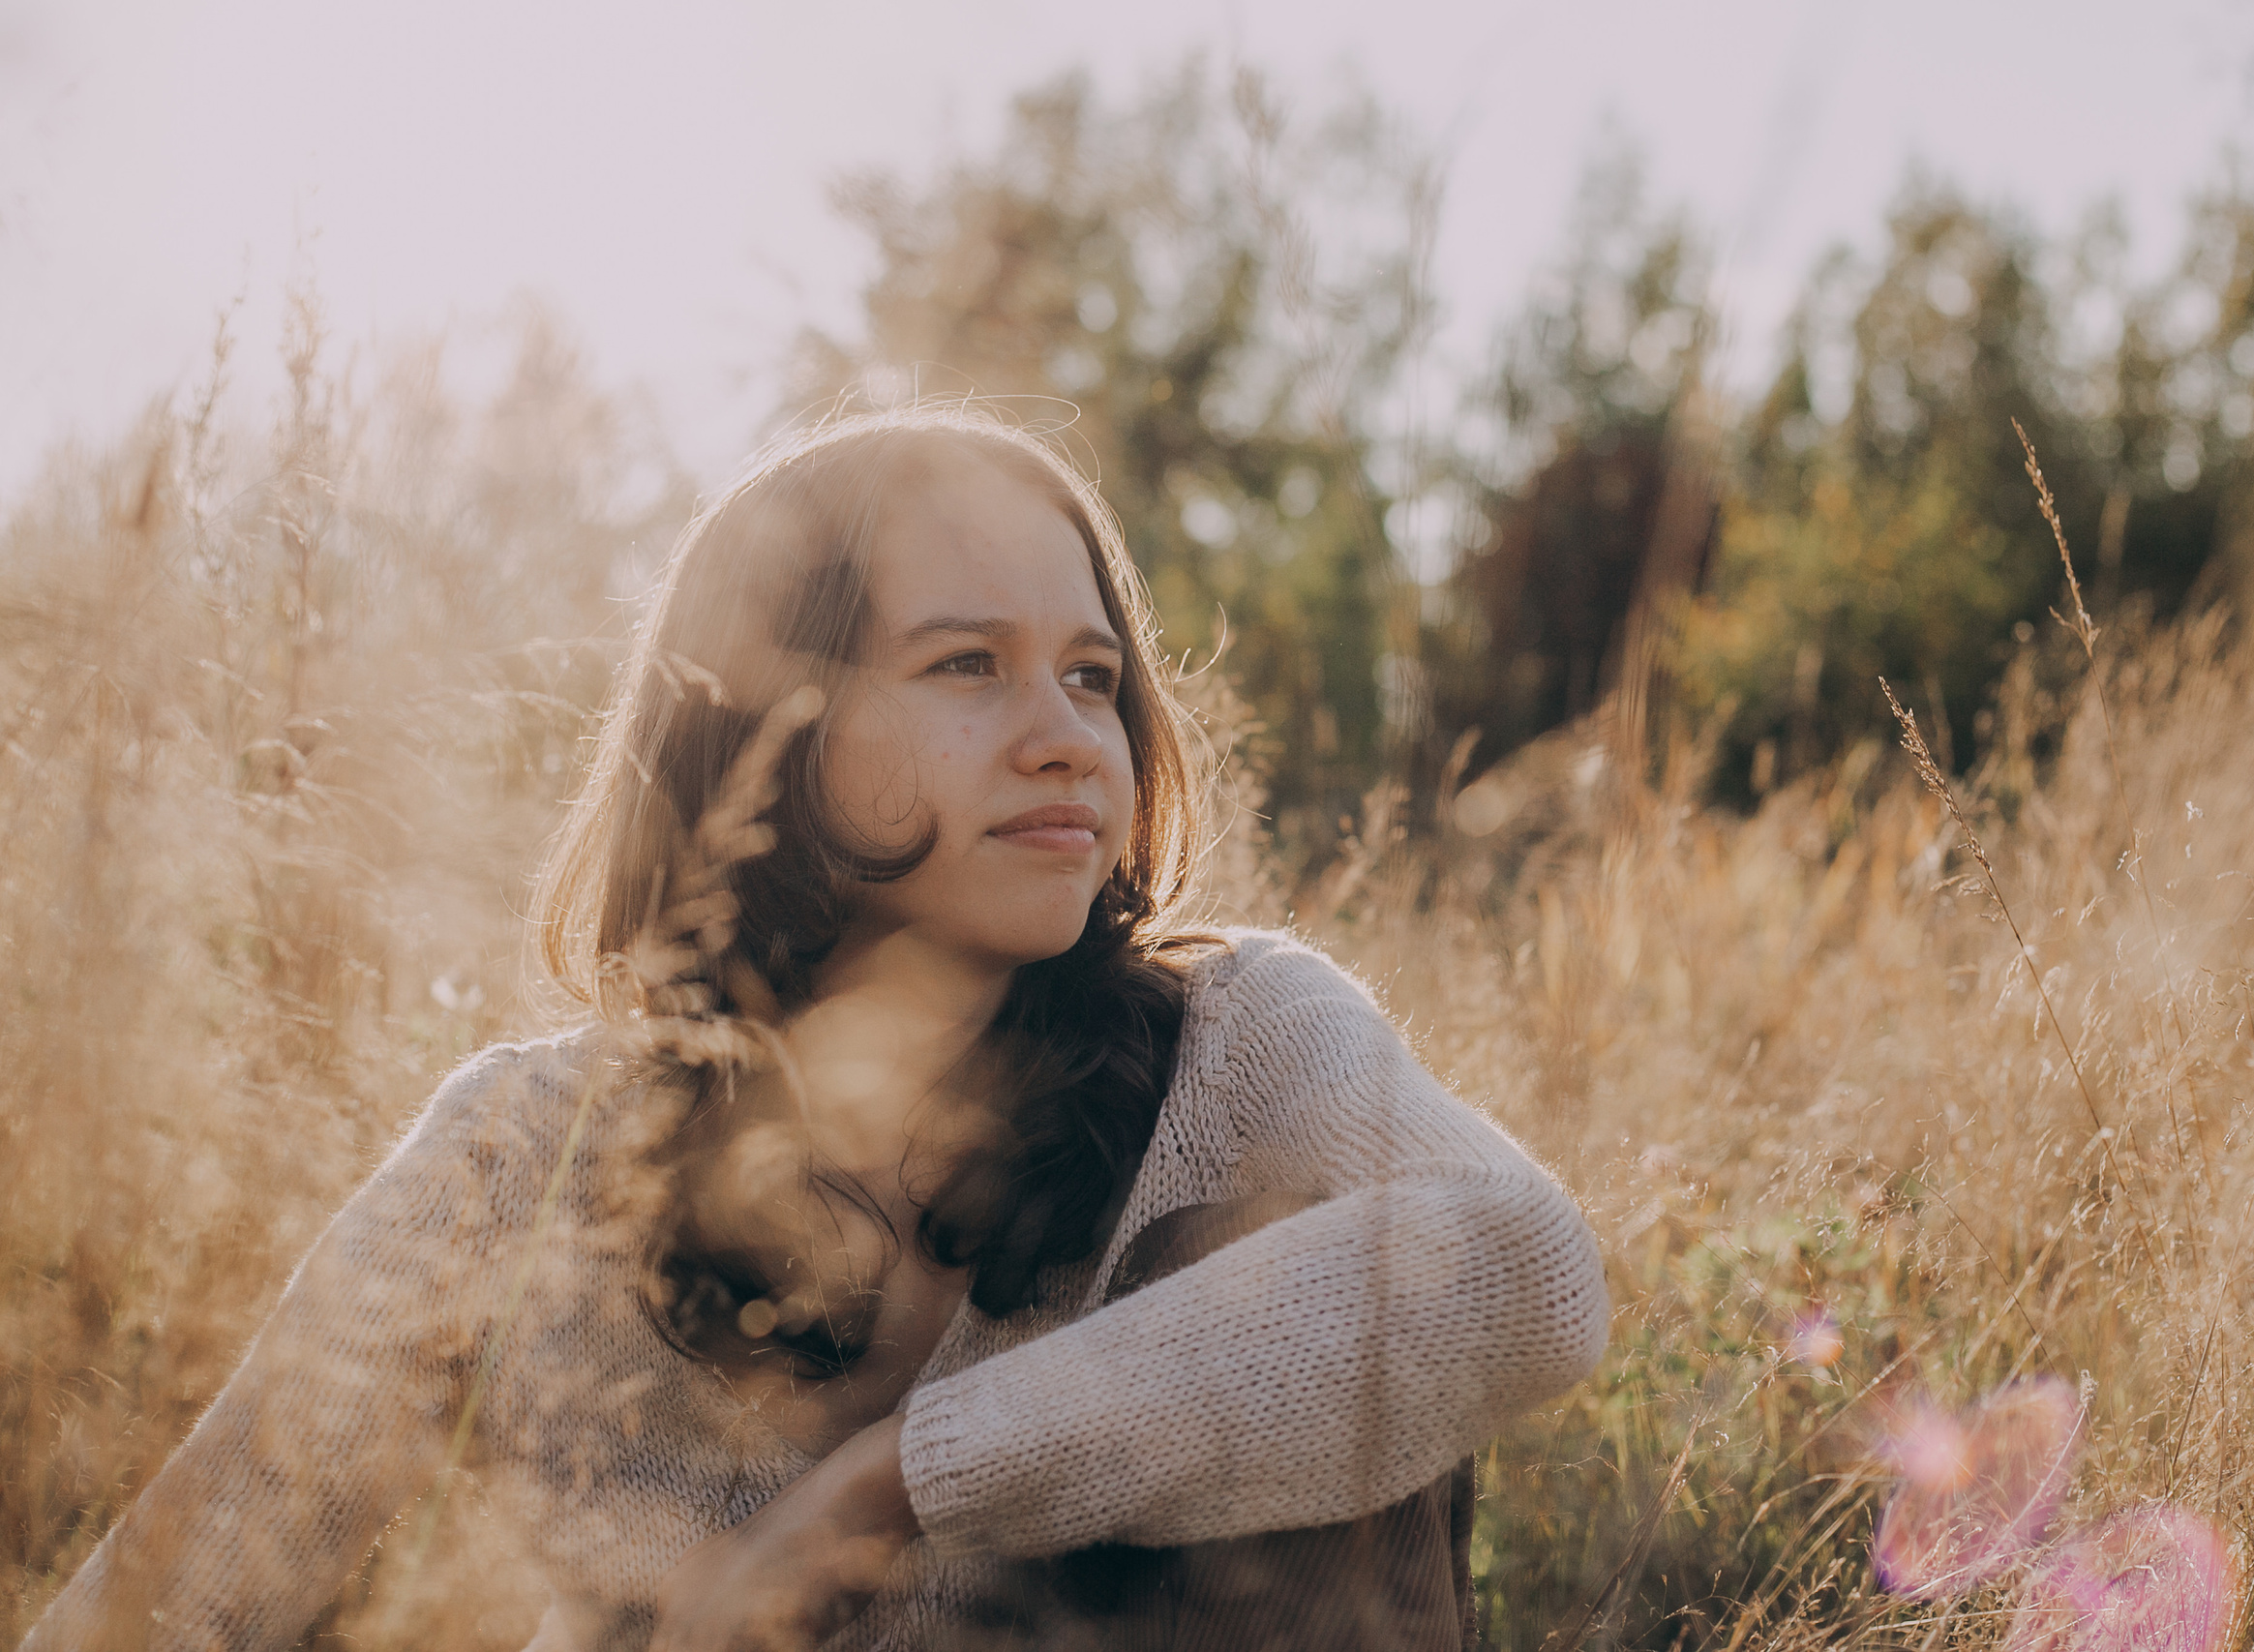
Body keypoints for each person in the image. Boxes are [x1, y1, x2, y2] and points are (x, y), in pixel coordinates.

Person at [21, 404, 1610, 1651]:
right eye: (967, 666)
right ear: (760, 731)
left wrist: (892, 1491)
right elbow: (182, 1596)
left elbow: (1525, 1270)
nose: (1067, 739)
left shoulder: (1241, 1035)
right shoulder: (530, 1149)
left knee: (1266, 1270)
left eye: (1090, 676)